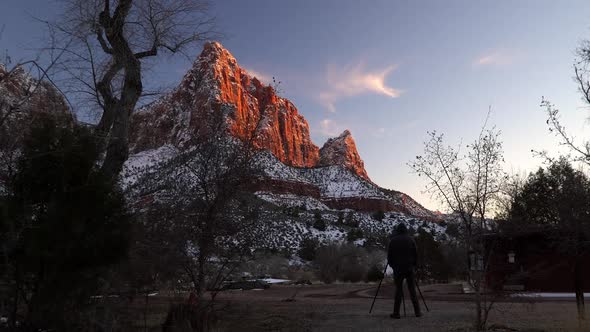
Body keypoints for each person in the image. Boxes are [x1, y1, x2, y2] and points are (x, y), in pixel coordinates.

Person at [387, 223, 422, 319]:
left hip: (398, 269)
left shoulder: (393, 241)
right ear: (406, 230)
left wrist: (393, 266)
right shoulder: (411, 240)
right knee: (412, 290)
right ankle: (417, 312)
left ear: (398, 230)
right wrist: (414, 265)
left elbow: (389, 256)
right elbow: (416, 254)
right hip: (409, 268)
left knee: (398, 290)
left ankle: (396, 313)